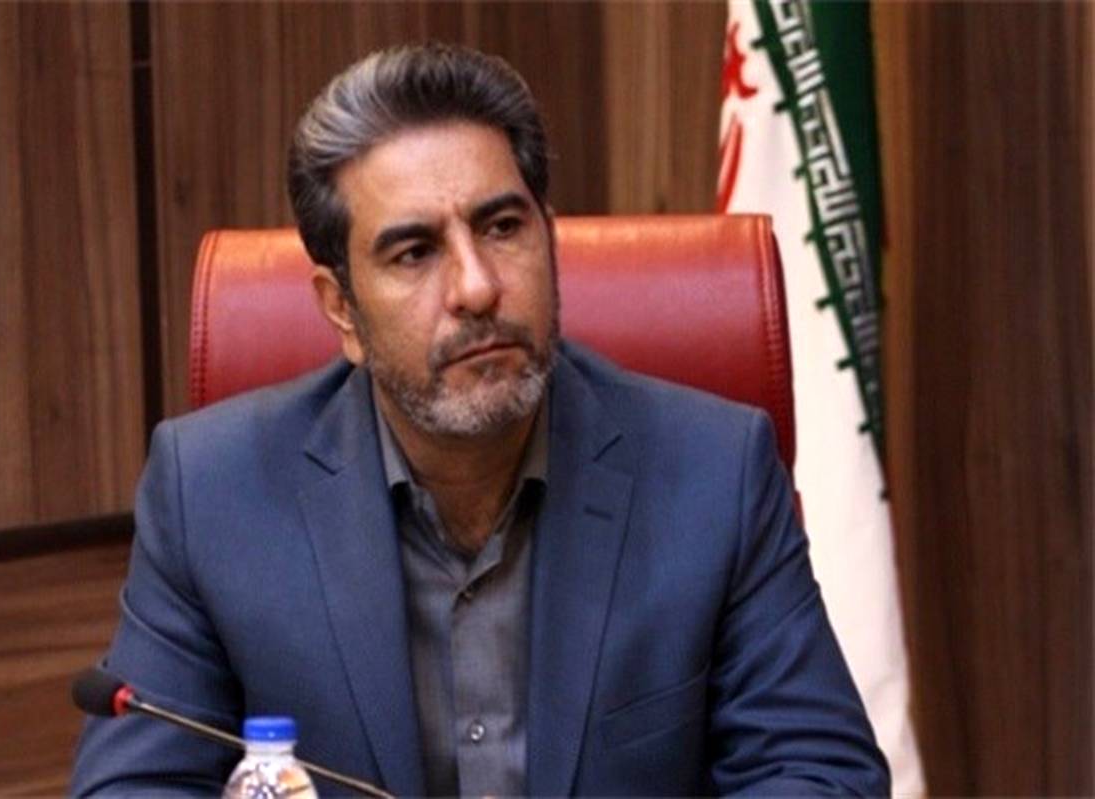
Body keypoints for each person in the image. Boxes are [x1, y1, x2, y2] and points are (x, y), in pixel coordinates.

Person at [72, 43, 889, 797]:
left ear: (549, 241)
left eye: (502, 228)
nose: (476, 287)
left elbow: (821, 773)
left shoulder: (714, 472)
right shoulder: (210, 493)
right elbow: (133, 788)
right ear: (342, 309)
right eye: (414, 252)